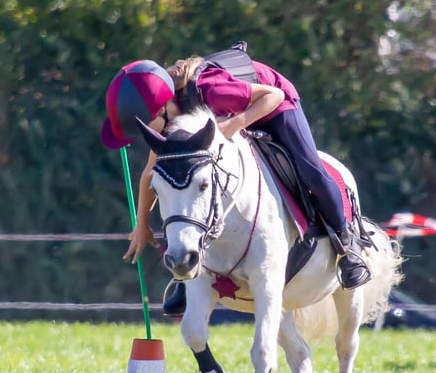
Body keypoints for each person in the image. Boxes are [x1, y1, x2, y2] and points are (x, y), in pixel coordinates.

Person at [101, 55, 371, 316]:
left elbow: (273, 96)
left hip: (274, 102)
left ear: (162, 108)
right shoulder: (168, 118)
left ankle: (348, 248)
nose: (145, 137)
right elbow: (151, 173)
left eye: (144, 127)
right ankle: (190, 279)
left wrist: (231, 125)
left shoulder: (212, 90)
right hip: (235, 109)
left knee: (310, 170)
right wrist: (142, 223)